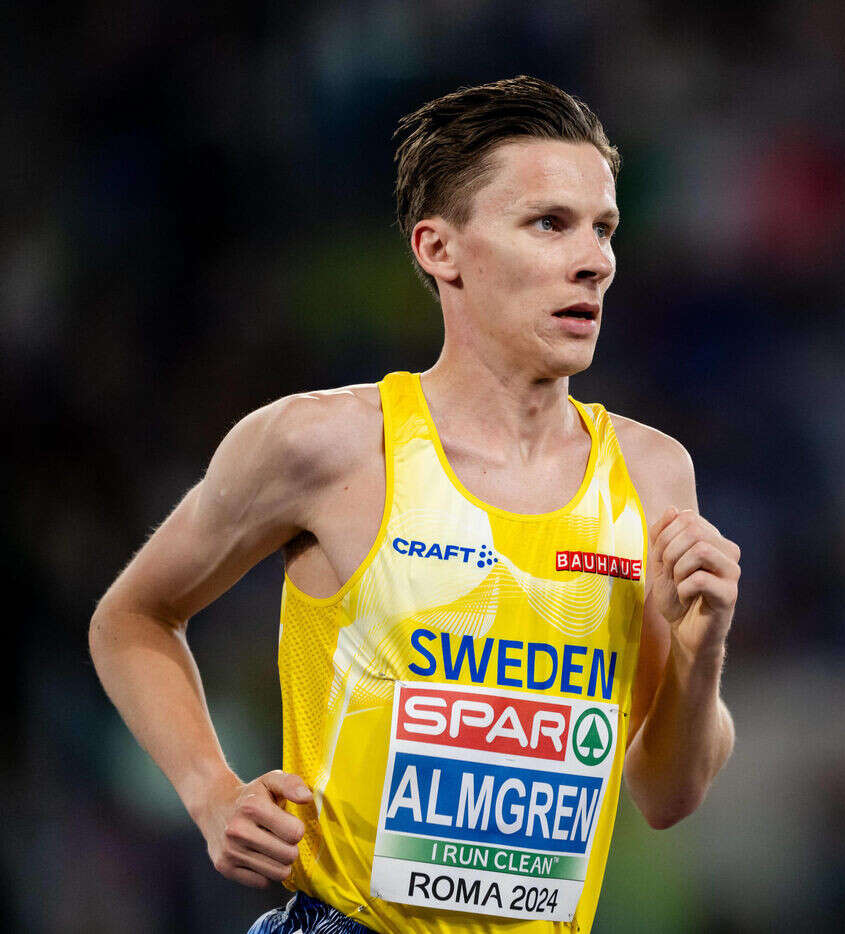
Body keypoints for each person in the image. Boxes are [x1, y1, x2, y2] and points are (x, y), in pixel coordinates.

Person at [89, 75, 739, 933]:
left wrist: (704, 646)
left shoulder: (653, 474)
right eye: (550, 223)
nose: (596, 259)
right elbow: (132, 617)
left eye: (604, 228)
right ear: (440, 250)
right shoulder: (321, 445)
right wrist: (211, 791)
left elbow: (665, 794)